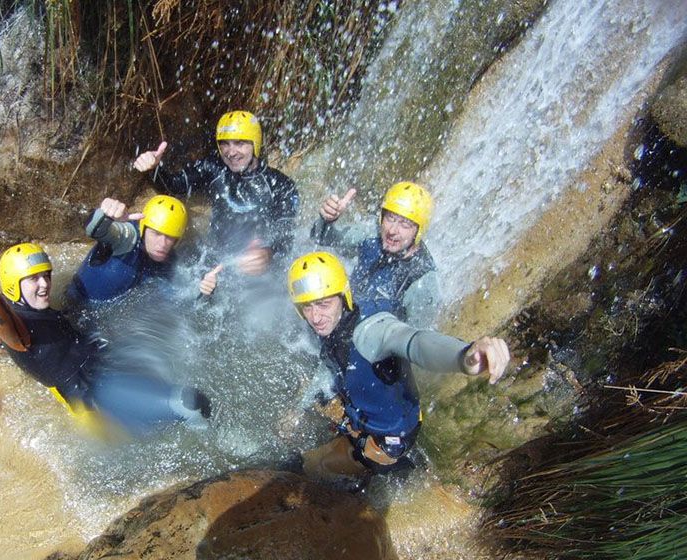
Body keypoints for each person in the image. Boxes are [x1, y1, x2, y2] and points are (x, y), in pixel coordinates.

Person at [0, 234, 211, 438]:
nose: (45, 284)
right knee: (190, 404)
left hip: (96, 364)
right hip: (93, 395)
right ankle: (214, 442)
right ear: (13, 286)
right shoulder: (19, 332)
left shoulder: (18, 314)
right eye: (33, 279)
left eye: (45, 275)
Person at [285, 251, 509, 479]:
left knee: (312, 469)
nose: (315, 317)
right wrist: (302, 404)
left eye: (323, 304)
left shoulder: (372, 332)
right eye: (307, 307)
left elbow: (414, 341)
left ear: (344, 297)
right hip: (369, 419)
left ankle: (392, 470)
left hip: (390, 437)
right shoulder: (334, 325)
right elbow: (331, 368)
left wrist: (464, 356)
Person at [133, 110, 299, 294]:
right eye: (224, 144)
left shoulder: (281, 185)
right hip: (215, 264)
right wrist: (154, 169)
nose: (231, 152)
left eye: (240, 143)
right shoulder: (213, 168)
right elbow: (173, 188)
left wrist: (268, 254)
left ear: (255, 143)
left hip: (259, 274)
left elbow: (286, 237)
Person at [312, 181, 439, 326]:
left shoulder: (422, 281)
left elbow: (417, 341)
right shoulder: (371, 234)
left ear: (418, 231)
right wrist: (327, 219)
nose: (392, 231)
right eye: (390, 218)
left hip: (373, 341)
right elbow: (322, 238)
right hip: (343, 319)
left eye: (405, 225)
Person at [65, 194, 188, 307]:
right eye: (156, 233)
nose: (163, 244)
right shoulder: (127, 237)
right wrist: (104, 216)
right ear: (143, 228)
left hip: (108, 315)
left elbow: (175, 296)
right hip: (77, 304)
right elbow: (95, 229)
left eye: (170, 237)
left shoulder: (169, 258)